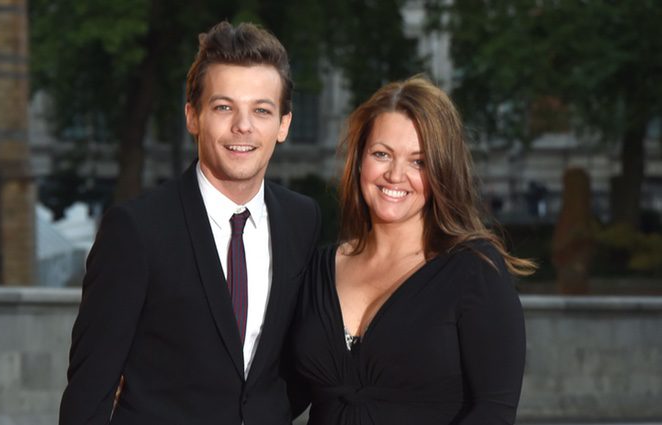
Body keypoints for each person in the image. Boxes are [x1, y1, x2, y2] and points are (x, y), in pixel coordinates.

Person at [59, 21, 321, 424]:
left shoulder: (302, 220)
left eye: (261, 110)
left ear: (283, 125)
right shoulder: (135, 230)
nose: (243, 127)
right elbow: (88, 393)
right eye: (223, 107)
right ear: (192, 116)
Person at [291, 75, 535, 425]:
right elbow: (277, 392)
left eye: (418, 162)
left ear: (441, 172)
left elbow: (493, 412)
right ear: (359, 160)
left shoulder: (475, 270)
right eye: (381, 154)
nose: (395, 174)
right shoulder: (318, 269)